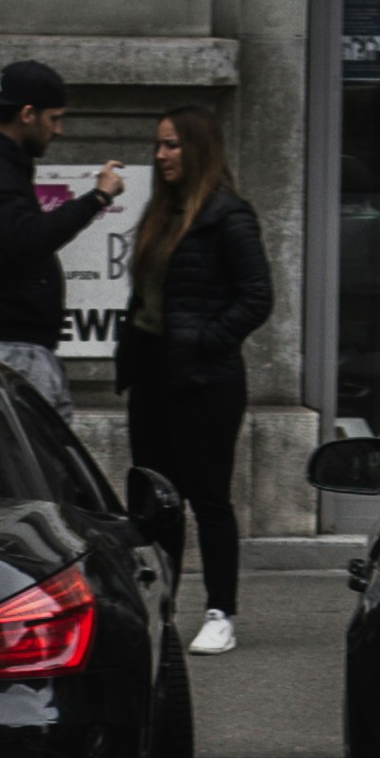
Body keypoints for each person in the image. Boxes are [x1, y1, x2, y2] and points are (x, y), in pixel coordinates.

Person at [120, 103, 271, 655]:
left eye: (172, 145)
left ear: (199, 149)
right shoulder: (162, 214)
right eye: (158, 145)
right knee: (156, 502)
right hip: (153, 378)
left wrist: (204, 340)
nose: (160, 155)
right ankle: (161, 607)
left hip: (206, 381)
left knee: (208, 500)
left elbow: (257, 298)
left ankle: (220, 612)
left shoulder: (227, 215)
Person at [0, 59, 120, 415]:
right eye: (54, 118)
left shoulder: (2, 166)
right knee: (28, 467)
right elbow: (28, 238)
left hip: (24, 351)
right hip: (14, 354)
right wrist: (97, 197)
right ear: (27, 114)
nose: (59, 130)